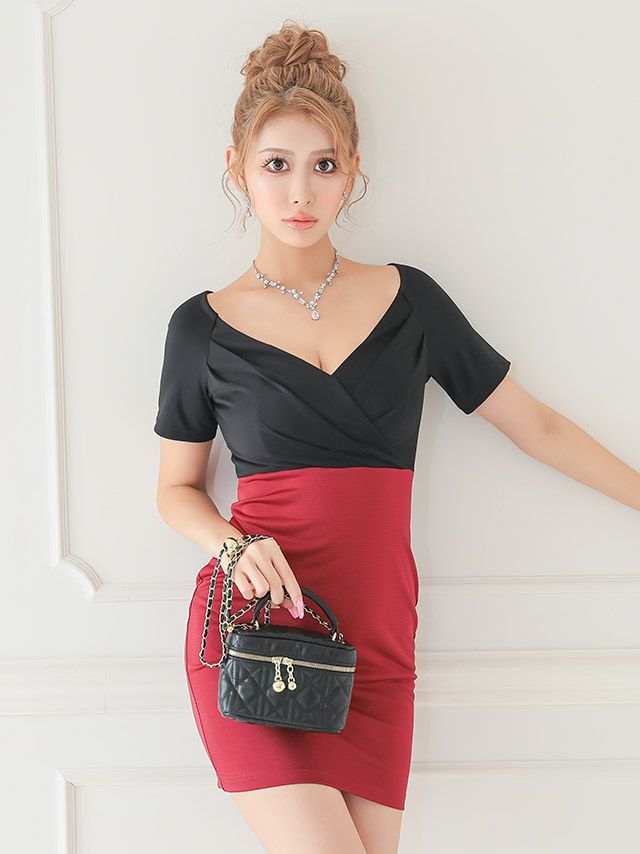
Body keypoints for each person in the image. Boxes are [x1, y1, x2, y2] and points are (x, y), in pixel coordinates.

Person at [153, 20, 640, 854]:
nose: (300, 192)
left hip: (376, 644)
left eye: (323, 166)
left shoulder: (411, 302)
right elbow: (175, 491)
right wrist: (233, 546)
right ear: (237, 168)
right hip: (255, 634)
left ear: (352, 172)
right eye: (276, 165)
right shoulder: (201, 328)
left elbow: (535, 424)